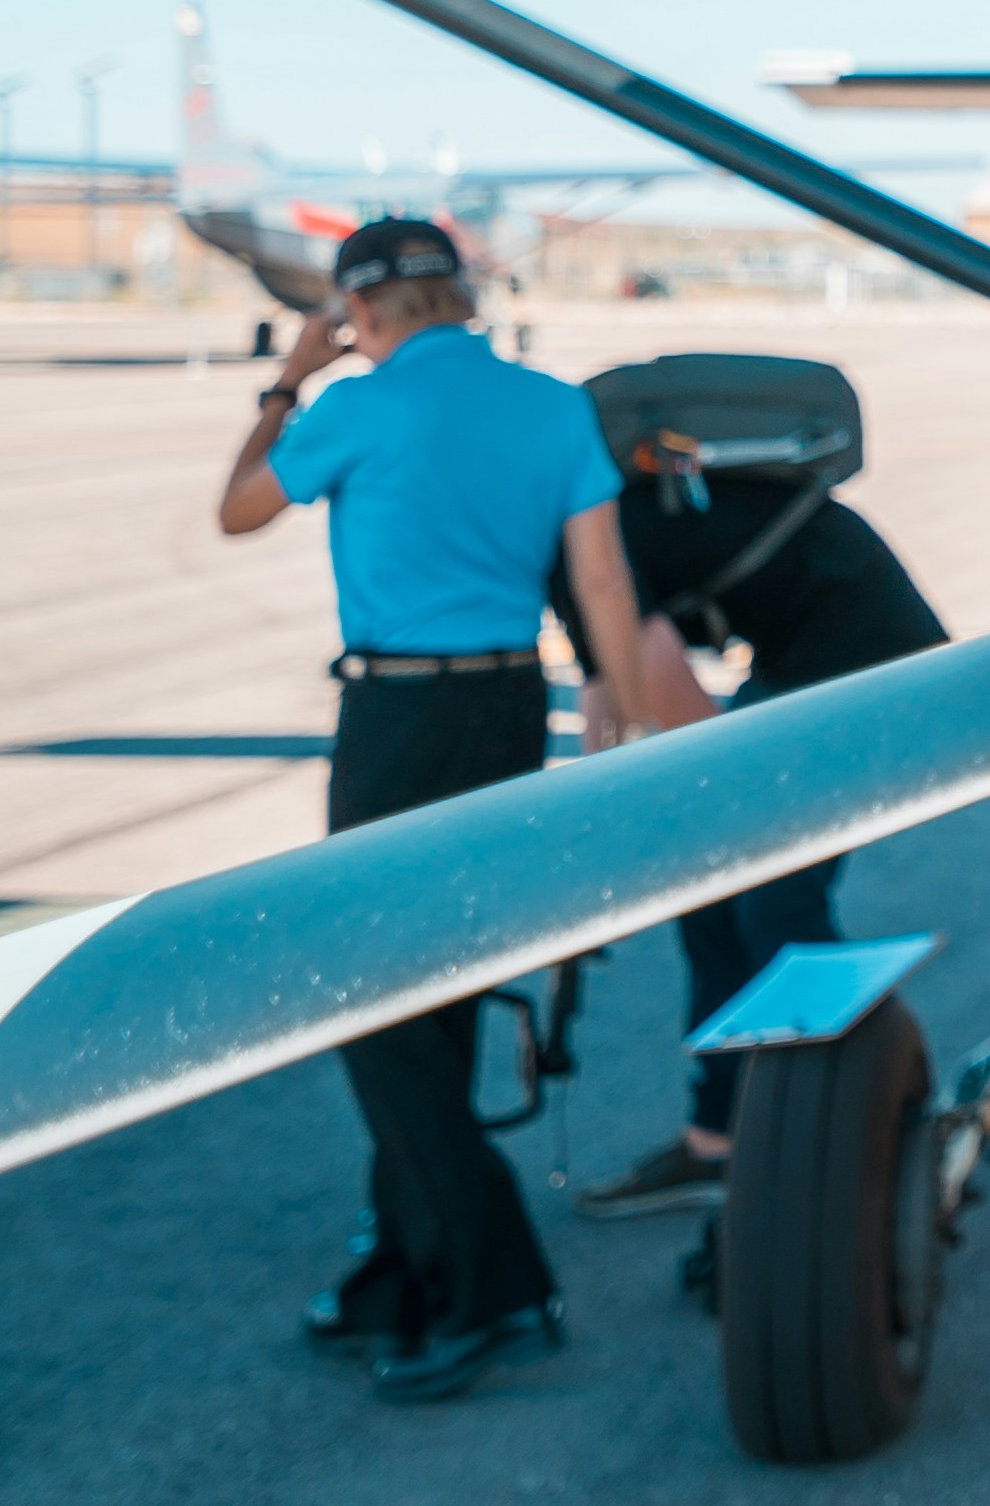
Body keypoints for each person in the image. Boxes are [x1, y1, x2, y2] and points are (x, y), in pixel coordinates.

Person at [221, 218, 656, 1404]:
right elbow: (600, 576)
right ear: (460, 297)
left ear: (359, 311)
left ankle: (492, 1284)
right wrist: (618, 709)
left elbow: (240, 509)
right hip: (510, 709)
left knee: (372, 999)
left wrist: (286, 383)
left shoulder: (356, 407)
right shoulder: (552, 405)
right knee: (443, 983)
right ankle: (405, 1266)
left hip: (400, 719)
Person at [557, 459, 949, 1221]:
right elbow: (607, 681)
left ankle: (869, 1126)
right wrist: (598, 830)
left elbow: (658, 673)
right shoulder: (573, 524)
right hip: (816, 649)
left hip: (866, 652)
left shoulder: (569, 538)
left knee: (773, 902)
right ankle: (722, 1138)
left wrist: (724, 811)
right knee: (714, 895)